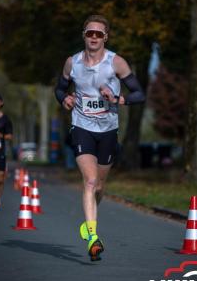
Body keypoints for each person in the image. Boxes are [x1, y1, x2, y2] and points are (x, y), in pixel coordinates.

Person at [55, 15, 145, 261]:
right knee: (91, 181)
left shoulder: (116, 62)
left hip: (108, 129)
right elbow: (60, 88)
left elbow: (139, 93)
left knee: (101, 186)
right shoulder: (71, 63)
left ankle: (89, 222)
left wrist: (117, 100)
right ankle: (93, 237)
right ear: (83, 34)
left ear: (105, 37)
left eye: (98, 34)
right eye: (89, 33)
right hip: (81, 126)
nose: (93, 37)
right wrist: (65, 99)